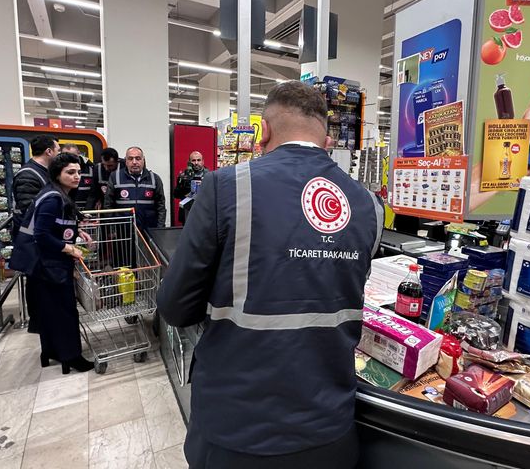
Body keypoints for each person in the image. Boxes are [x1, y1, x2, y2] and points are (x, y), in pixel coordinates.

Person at [156, 81, 383, 469]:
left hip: (239, 429)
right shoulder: (369, 205)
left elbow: (176, 307)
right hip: (330, 428)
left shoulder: (227, 186)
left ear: (263, 130)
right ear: (326, 136)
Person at [9, 152, 94, 374]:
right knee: (65, 310)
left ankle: (51, 351)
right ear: (57, 174)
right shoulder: (53, 198)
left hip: (42, 265)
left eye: (78, 172)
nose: (77, 176)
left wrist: (78, 232)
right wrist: (70, 248)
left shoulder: (55, 193)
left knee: (50, 310)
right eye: (70, 172)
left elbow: (55, 226)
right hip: (49, 264)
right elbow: (42, 235)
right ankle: (72, 356)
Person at [11, 134, 59, 333]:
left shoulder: (44, 172)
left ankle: (45, 318)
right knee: (37, 282)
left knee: (45, 284)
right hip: (34, 241)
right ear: (48, 151)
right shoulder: (28, 175)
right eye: (57, 150)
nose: (59, 153)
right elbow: (30, 211)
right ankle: (39, 322)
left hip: (44, 239)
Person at [104, 146, 167, 229]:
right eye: (130, 159)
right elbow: (108, 205)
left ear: (143, 160)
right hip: (123, 232)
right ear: (126, 161)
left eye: (138, 158)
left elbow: (161, 207)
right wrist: (111, 229)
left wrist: (160, 229)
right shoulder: (115, 177)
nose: (134, 162)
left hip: (149, 230)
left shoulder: (154, 179)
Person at [173, 150, 210, 224]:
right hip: (187, 213)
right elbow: (175, 194)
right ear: (189, 162)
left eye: (198, 160)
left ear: (203, 161)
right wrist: (184, 185)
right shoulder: (183, 176)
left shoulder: (209, 176)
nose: (196, 163)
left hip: (203, 213)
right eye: (193, 160)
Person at [60, 143, 98, 210]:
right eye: (66, 156)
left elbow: (94, 194)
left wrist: (88, 210)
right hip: (67, 209)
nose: (70, 159)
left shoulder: (91, 168)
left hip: (87, 211)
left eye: (73, 156)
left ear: (79, 153)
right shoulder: (58, 169)